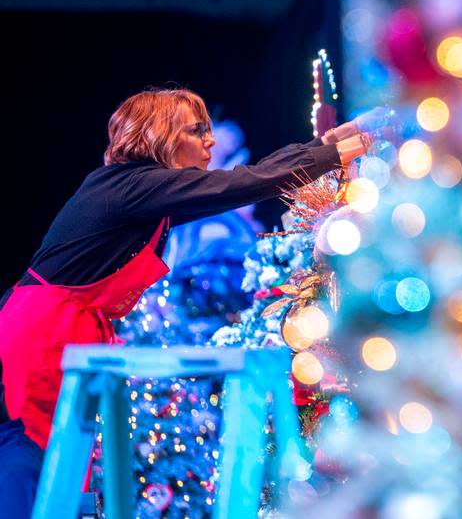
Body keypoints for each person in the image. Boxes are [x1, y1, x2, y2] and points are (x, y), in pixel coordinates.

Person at [0, 87, 380, 508]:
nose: (211, 142)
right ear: (160, 135)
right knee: (36, 454)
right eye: (197, 131)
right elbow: (238, 184)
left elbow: (243, 178)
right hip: (45, 331)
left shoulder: (142, 191)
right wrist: (330, 155)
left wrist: (321, 146)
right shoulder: (131, 186)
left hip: (62, 325)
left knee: (58, 458)